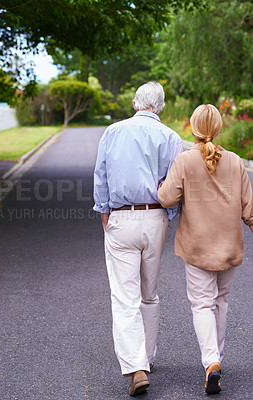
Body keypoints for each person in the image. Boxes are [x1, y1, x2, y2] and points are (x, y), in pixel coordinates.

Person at [93, 81, 182, 396]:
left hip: (121, 217)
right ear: (159, 106)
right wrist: (169, 218)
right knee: (150, 293)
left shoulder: (113, 132)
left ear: (135, 103)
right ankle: (148, 357)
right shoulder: (171, 137)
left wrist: (104, 211)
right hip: (155, 216)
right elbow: (174, 183)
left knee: (124, 296)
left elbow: (101, 175)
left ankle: (136, 366)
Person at [157, 104, 253, 394]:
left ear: (193, 128)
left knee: (202, 304)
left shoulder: (185, 161)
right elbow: (249, 209)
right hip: (228, 245)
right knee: (221, 301)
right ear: (220, 128)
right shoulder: (236, 162)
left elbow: (166, 198)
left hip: (198, 246)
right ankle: (216, 362)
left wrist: (163, 183)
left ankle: (211, 362)